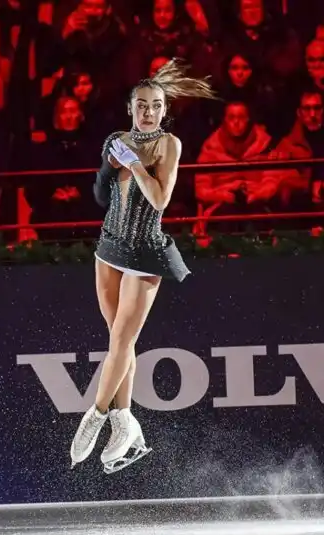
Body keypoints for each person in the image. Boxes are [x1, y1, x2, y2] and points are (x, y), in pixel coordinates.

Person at [70, 58, 216, 474]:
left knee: (120, 341)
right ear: (130, 109)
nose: (147, 112)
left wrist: (133, 164)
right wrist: (107, 166)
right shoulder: (115, 138)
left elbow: (160, 200)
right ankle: (125, 423)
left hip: (144, 251)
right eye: (141, 105)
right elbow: (101, 195)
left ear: (164, 110)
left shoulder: (169, 145)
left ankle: (94, 417)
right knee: (122, 342)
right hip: (108, 247)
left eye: (155, 105)